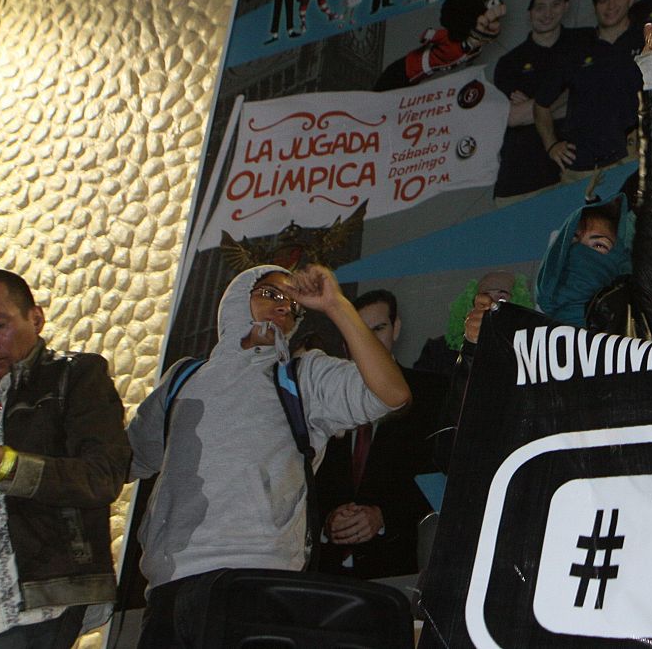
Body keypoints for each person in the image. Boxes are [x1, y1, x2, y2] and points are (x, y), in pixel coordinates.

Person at [127, 264, 410, 647]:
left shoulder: (303, 376)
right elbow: (122, 460)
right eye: (270, 294)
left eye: (293, 304)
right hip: (168, 586)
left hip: (259, 582)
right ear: (236, 300)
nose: (283, 307)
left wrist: (336, 304)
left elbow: (391, 394)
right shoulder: (182, 379)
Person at [0, 270, 129, 648]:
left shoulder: (77, 375)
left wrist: (8, 466)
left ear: (36, 317)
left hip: (47, 589)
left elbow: (104, 475)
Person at [471, 24, 652, 343]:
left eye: (599, 245)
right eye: (574, 243)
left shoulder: (647, 319)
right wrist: (477, 349)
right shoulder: (531, 349)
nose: (579, 256)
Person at [312, 291, 433, 580]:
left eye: (379, 328)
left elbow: (441, 479)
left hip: (397, 571)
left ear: (396, 328)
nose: (370, 341)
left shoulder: (431, 393)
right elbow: (308, 476)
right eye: (359, 331)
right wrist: (327, 521)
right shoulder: (321, 395)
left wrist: (383, 517)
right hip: (323, 572)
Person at [533, 0, 644, 174]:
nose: (611, 6)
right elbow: (541, 104)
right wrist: (551, 145)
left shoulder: (647, 38)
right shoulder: (577, 49)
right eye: (604, 0)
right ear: (595, 6)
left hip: (633, 157)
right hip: (581, 166)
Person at [493, 0, 591, 200]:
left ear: (566, 5)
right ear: (529, 13)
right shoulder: (510, 62)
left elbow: (602, 90)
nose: (547, 14)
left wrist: (536, 107)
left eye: (555, 5)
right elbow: (512, 117)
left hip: (580, 168)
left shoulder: (585, 40)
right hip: (525, 178)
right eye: (540, 7)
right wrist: (570, 93)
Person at [374, 0, 505, 91]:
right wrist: (428, 37)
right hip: (404, 70)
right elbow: (428, 35)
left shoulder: (474, 50)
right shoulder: (448, 37)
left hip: (417, 78)